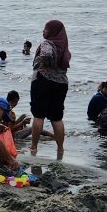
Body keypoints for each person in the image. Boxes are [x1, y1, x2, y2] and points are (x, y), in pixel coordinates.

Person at [30, 20, 70, 158]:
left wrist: (45, 65)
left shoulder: (47, 44)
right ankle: (60, 149)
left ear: (52, 31)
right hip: (61, 84)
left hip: (43, 81)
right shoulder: (64, 47)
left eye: (46, 29)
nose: (43, 31)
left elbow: (46, 55)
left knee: (39, 116)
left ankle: (34, 147)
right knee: (57, 118)